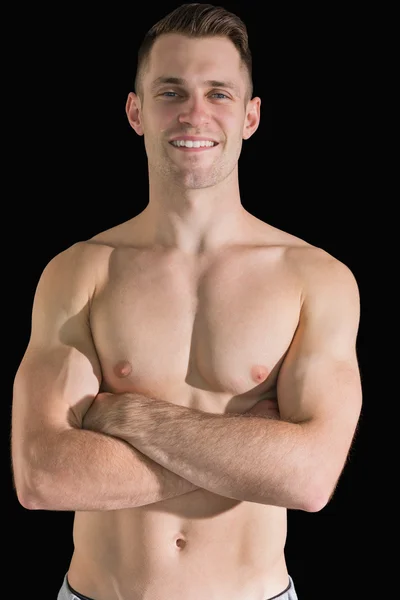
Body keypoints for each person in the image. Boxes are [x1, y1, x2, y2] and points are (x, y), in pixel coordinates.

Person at [11, 3, 362, 599]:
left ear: (251, 116)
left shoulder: (315, 277)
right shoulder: (79, 271)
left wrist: (124, 416)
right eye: (171, 91)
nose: (194, 113)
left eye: (219, 93)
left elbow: (308, 479)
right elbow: (43, 476)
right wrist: (250, 453)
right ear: (136, 110)